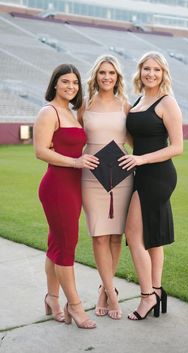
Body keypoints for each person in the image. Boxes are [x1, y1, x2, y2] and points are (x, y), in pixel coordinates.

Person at [119, 51, 183, 320]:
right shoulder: (139, 99)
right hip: (141, 173)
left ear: (163, 73)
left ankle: (147, 297)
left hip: (158, 175)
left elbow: (177, 147)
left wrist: (141, 159)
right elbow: (139, 140)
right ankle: (156, 290)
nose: (151, 74)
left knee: (134, 236)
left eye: (157, 70)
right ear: (140, 71)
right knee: (154, 239)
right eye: (147, 69)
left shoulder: (167, 102)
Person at [34, 63, 99, 329]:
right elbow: (40, 151)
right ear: (55, 84)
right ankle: (75, 306)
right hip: (57, 186)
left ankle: (52, 298)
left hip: (74, 186)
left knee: (56, 244)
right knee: (66, 246)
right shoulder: (48, 112)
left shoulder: (72, 113)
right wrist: (75, 163)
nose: (71, 86)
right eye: (65, 82)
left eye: (75, 82)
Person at [78, 55, 133, 320]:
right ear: (96, 76)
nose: (107, 77)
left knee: (115, 236)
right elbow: (73, 136)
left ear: (117, 77)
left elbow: (135, 140)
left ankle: (105, 290)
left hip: (122, 176)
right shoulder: (84, 105)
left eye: (111, 73)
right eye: (102, 73)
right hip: (91, 176)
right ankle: (112, 293)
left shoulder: (125, 104)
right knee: (99, 235)